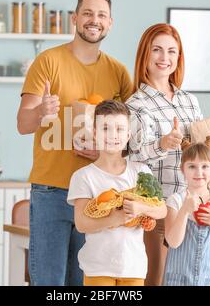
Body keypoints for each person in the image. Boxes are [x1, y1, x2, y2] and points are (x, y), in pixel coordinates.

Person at [16, 0, 133, 286]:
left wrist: (107, 153)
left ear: (110, 23)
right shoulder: (48, 61)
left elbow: (130, 135)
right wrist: (42, 110)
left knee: (86, 283)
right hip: (51, 190)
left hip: (97, 193)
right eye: (88, 13)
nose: (94, 20)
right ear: (75, 18)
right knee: (49, 283)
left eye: (101, 15)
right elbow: (22, 123)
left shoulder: (118, 73)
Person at [126, 23, 210, 286]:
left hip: (201, 207)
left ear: (179, 58)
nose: (164, 58)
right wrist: (163, 144)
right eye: (157, 50)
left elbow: (203, 153)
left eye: (171, 52)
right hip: (163, 209)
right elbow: (133, 158)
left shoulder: (189, 100)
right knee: (157, 280)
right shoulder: (135, 104)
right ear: (145, 54)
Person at [67, 100, 167, 286]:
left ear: (128, 134)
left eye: (120, 129)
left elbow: (161, 210)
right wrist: (116, 219)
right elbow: (81, 224)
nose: (113, 135)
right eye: (105, 128)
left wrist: (140, 207)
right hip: (98, 268)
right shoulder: (83, 176)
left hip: (134, 267)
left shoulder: (141, 171)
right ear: (95, 133)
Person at [163, 140, 210, 285]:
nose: (199, 172)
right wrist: (184, 210)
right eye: (192, 166)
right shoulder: (175, 201)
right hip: (178, 281)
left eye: (205, 166)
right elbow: (173, 242)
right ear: (183, 169)